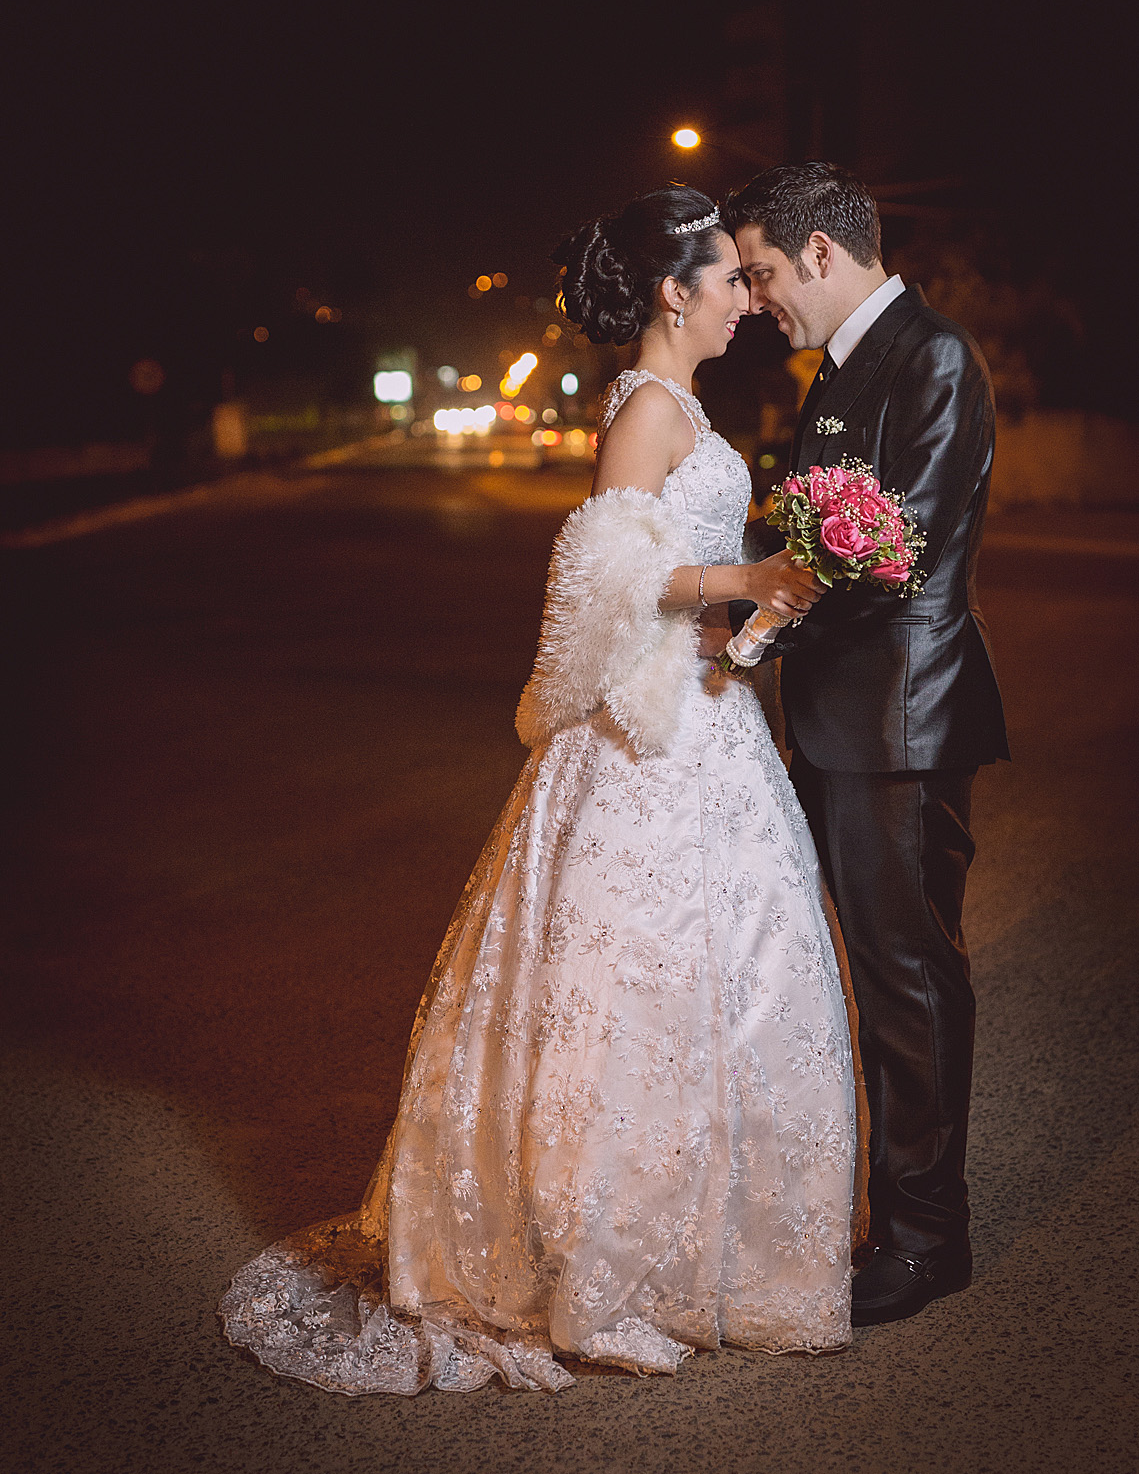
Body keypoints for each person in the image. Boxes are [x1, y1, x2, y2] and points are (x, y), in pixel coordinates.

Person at [218, 186, 857, 1395]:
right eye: (724, 277)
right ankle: (601, 1255)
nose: (741, 296)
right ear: (672, 292)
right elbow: (609, 571)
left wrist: (767, 596)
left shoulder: (684, 406)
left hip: (708, 721)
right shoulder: (645, 408)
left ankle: (710, 1248)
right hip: (643, 745)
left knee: (728, 981)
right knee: (624, 987)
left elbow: (674, 578)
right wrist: (747, 568)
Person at [720, 162, 1009, 1328]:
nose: (757, 297)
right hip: (843, 722)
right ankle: (891, 1210)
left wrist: (760, 623)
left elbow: (899, 554)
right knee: (869, 975)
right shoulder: (836, 370)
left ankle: (926, 1236)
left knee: (908, 978)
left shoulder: (929, 357)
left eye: (765, 273)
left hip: (901, 720)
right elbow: (818, 531)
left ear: (823, 255)